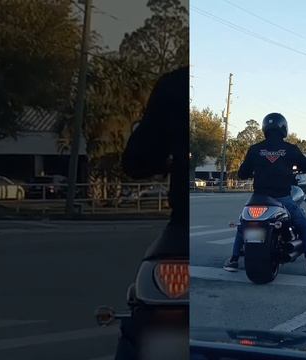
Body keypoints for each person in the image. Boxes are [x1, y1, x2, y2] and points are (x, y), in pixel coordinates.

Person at [116, 66, 188, 359]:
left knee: (147, 305)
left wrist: (168, 163)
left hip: (182, 225)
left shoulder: (173, 84)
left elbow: (136, 160)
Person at [223, 112, 306, 276]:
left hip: (258, 198)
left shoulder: (255, 149)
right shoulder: (290, 149)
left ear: (265, 128)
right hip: (282, 198)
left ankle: (234, 259)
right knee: (305, 226)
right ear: (284, 128)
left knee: (244, 225)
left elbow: (242, 173)